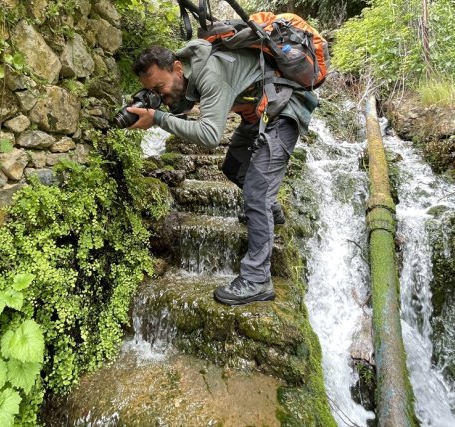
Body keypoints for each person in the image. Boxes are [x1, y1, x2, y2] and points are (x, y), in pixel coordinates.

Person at [127, 39, 318, 305]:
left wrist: (157, 118)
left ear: (178, 68)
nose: (160, 94)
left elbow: (209, 135)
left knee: (256, 191)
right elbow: (180, 110)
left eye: (160, 87)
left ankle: (257, 279)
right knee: (233, 167)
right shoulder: (188, 78)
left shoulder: (210, 73)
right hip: (259, 114)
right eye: (152, 90)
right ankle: (269, 211)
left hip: (284, 109)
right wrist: (150, 105)